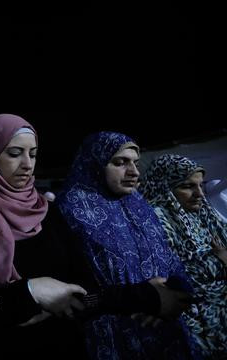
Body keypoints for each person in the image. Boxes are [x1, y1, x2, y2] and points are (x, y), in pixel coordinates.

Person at [0, 114, 94, 359]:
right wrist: (29, 293)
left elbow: (87, 284)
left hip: (65, 345)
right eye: (15, 153)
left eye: (32, 154)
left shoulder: (48, 213)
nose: (27, 164)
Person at [57, 132, 197, 359]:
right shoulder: (70, 210)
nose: (134, 172)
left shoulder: (139, 205)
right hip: (116, 336)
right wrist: (144, 300)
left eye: (135, 163)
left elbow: (171, 260)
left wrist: (178, 292)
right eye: (120, 162)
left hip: (166, 328)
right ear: (96, 163)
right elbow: (71, 292)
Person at [140, 154, 227, 357]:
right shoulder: (156, 222)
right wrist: (220, 260)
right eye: (188, 186)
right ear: (166, 188)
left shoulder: (204, 214)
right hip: (196, 320)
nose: (200, 194)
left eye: (201, 185)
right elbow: (177, 279)